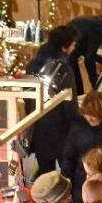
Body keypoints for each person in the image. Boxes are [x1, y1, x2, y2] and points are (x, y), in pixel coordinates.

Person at [25, 25, 80, 174]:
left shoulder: (32, 65)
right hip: (61, 131)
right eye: (73, 44)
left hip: (38, 128)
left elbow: (27, 97)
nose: (74, 48)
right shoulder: (63, 69)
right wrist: (78, 125)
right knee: (68, 175)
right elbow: (70, 104)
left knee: (45, 176)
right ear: (64, 47)